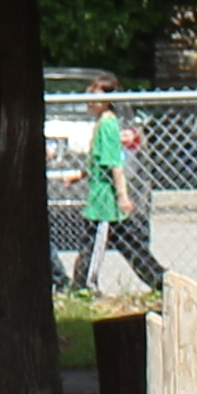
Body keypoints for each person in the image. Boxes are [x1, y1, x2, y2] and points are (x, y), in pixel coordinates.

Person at [67, 76, 162, 296]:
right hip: (98, 196)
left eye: (96, 97)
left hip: (105, 201)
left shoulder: (108, 124)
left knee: (93, 244)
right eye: (89, 96)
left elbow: (114, 164)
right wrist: (80, 175)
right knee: (129, 243)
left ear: (109, 100)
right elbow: (98, 160)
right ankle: (158, 279)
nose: (91, 102)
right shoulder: (102, 124)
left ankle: (85, 286)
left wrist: (122, 196)